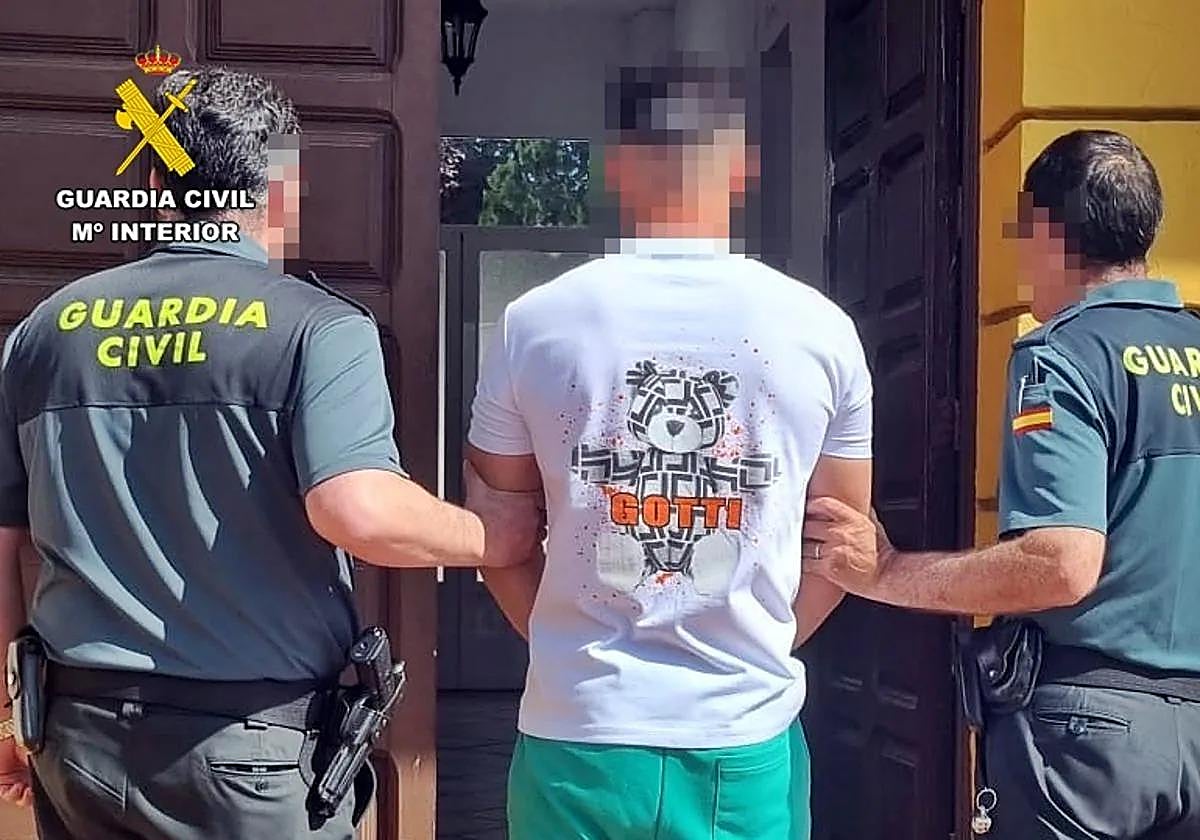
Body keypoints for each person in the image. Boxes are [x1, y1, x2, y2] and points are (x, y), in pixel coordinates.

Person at [0, 67, 539, 840]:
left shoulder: (44, 333)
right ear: (282, 191)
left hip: (78, 740)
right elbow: (357, 509)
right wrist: (492, 536)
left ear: (153, 187)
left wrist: (10, 716)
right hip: (245, 752)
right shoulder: (317, 328)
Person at [461, 62, 874, 840]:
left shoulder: (534, 323)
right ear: (742, 167)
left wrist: (569, 648)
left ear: (617, 166)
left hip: (576, 734)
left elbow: (498, 536)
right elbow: (844, 548)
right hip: (743, 740)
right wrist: (757, 644)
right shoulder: (821, 330)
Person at [805, 130, 1200, 839]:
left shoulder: (1064, 358)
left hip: (1091, 745)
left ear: (1047, 229)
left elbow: (1061, 563)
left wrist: (886, 572)